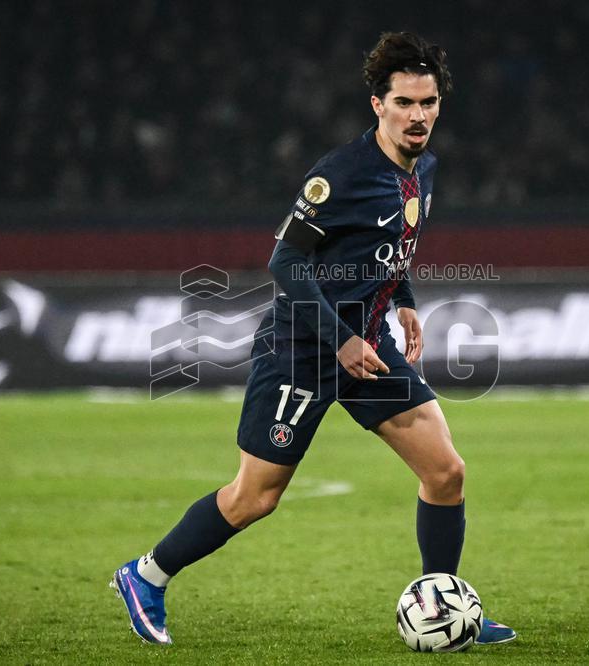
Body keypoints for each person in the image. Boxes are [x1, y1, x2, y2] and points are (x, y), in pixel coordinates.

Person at [111, 31, 516, 647]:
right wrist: (340, 341)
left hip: (366, 349)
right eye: (404, 103)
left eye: (427, 103)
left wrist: (402, 303)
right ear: (377, 105)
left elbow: (390, 249)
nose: (418, 115)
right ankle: (146, 575)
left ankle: (442, 604)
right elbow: (286, 263)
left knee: (446, 471)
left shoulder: (422, 170)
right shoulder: (341, 174)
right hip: (300, 349)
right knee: (255, 497)